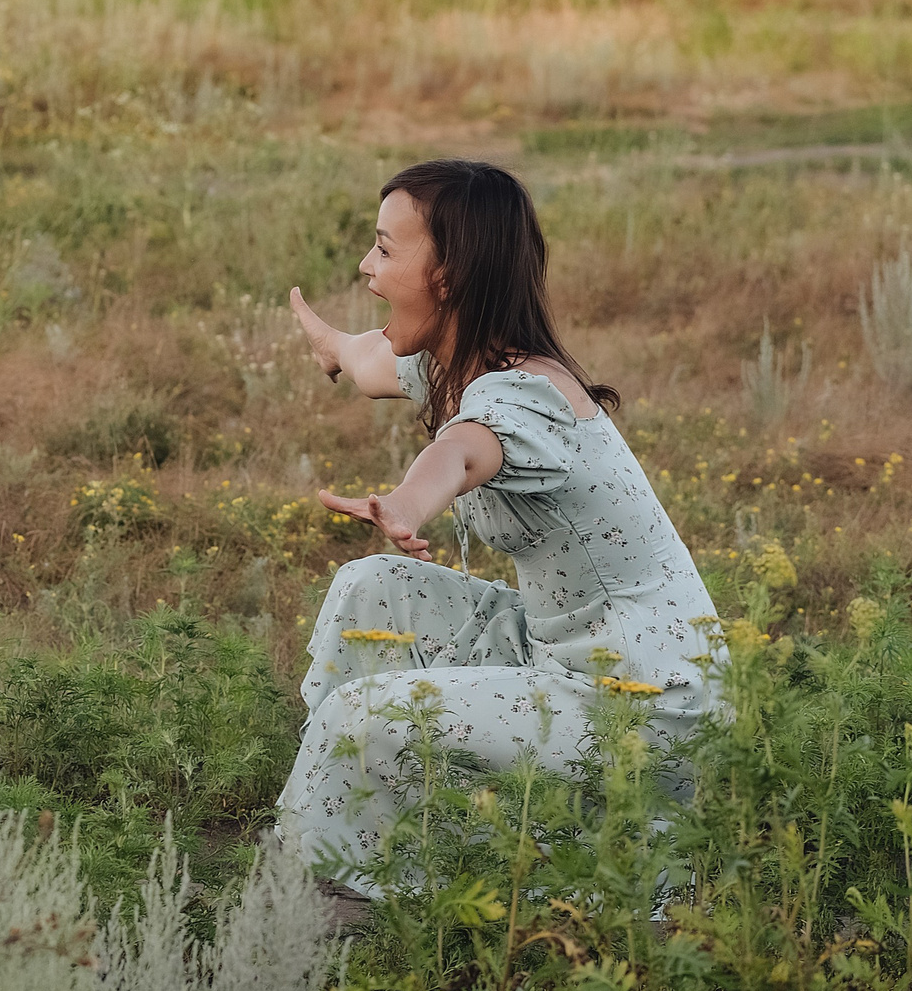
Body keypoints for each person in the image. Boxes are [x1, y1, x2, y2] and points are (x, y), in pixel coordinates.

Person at [277, 159, 718, 903]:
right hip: (559, 658)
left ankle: (316, 900)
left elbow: (462, 450)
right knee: (369, 587)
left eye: (385, 249)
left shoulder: (524, 396)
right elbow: (371, 359)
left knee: (363, 716)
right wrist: (334, 346)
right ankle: (362, 833)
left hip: (641, 707)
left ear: (448, 276)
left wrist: (409, 504)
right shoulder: (456, 362)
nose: (366, 266)